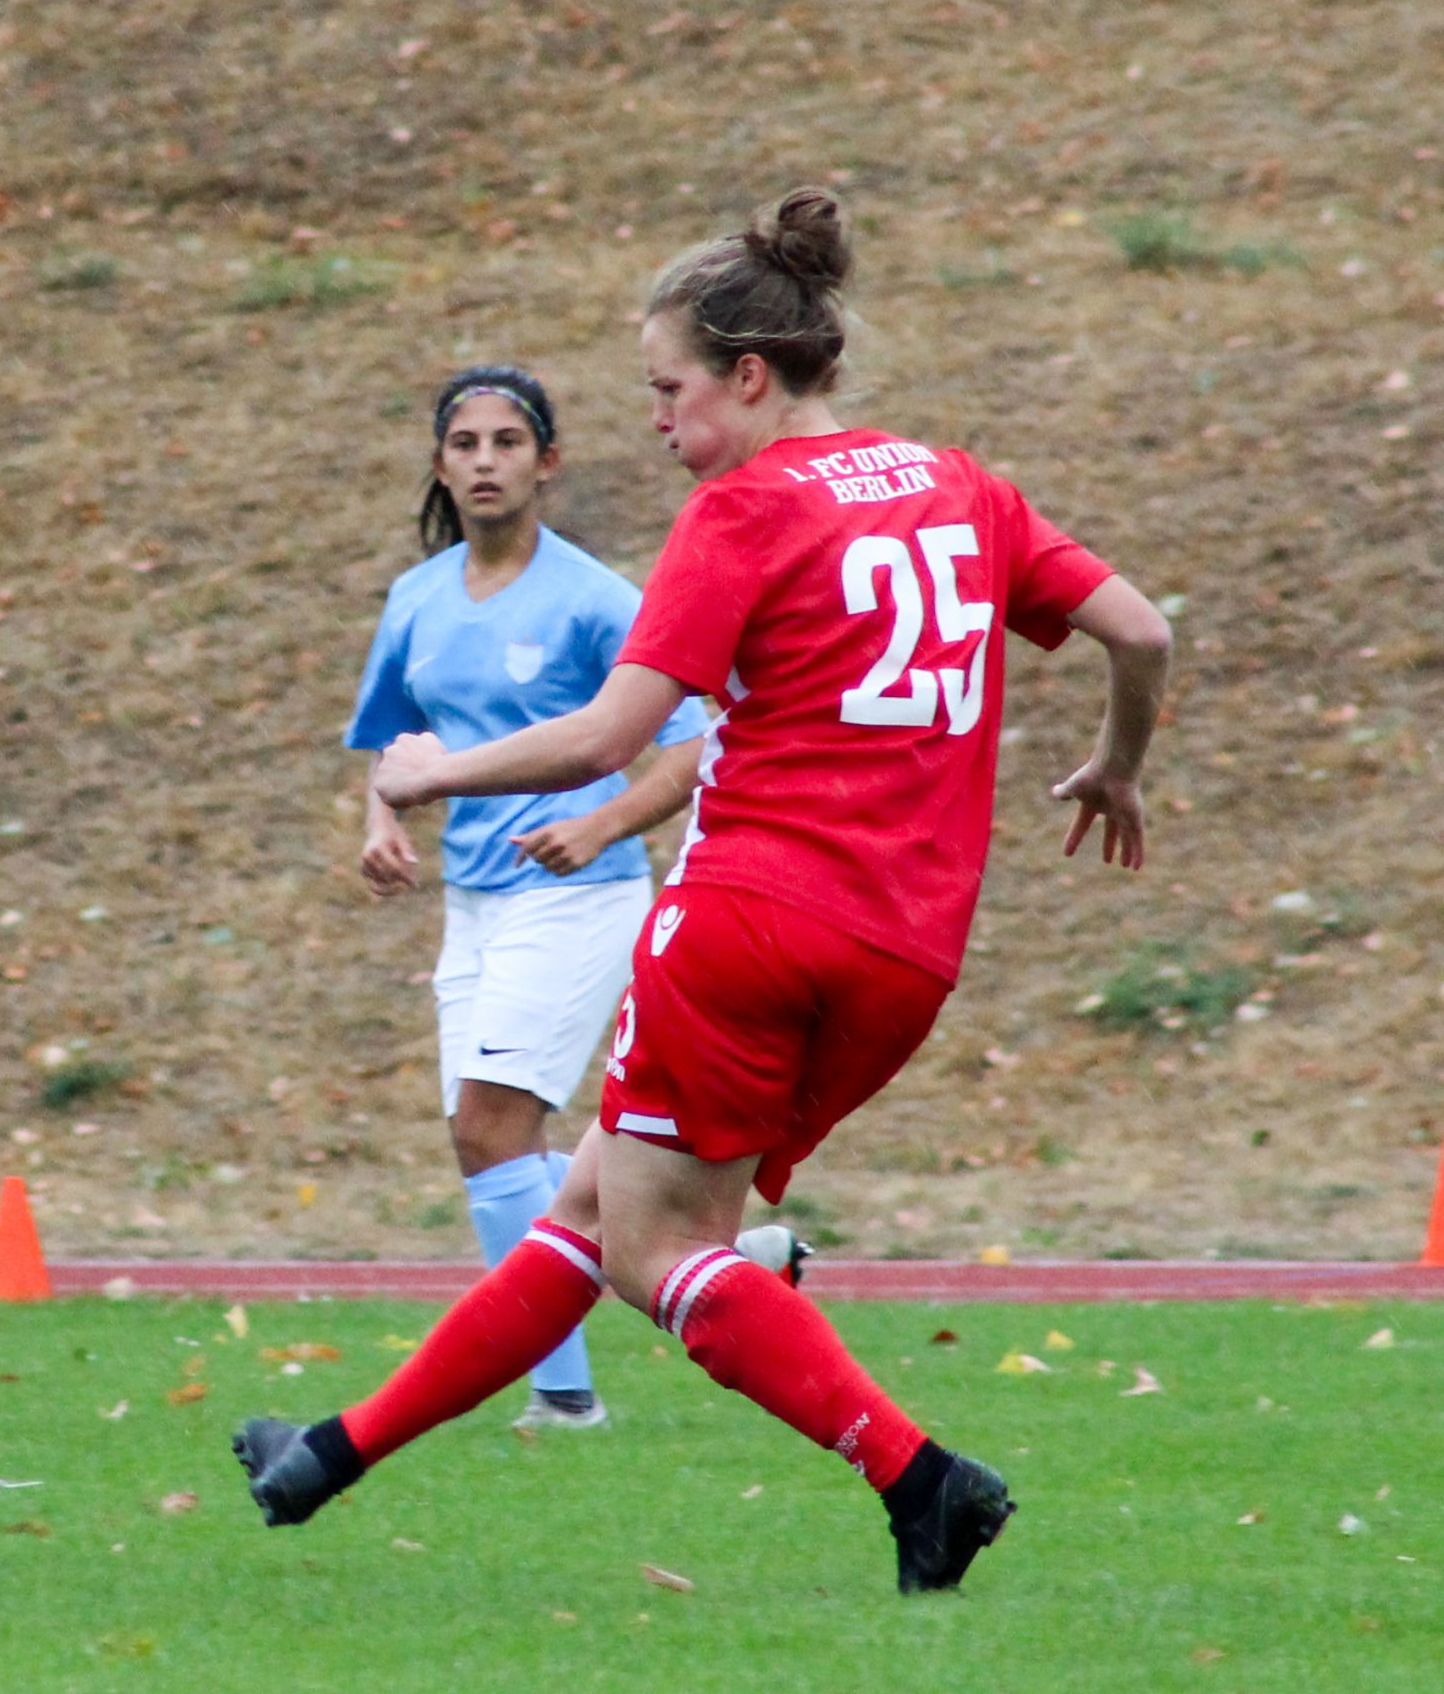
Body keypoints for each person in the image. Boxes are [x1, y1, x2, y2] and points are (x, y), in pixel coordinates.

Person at [237, 189, 1172, 1595]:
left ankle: (921, 1480)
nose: (661, 428)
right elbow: (1140, 628)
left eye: (667, 394)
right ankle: (326, 1458)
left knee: (657, 1253)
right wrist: (1114, 762)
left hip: (744, 924)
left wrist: (433, 776)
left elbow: (614, 736)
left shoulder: (743, 512)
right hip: (906, 957)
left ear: (749, 375)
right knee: (593, 1207)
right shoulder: (959, 486)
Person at [349, 364, 709, 1430]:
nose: (485, 462)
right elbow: (393, 741)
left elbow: (692, 750)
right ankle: (705, 1247)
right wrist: (381, 821)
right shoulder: (418, 598)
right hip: (477, 902)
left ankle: (564, 1396)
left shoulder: (597, 598)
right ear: (439, 463)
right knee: (485, 1144)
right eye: (465, 444)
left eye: (508, 442)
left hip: (583, 893)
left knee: (491, 1121)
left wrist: (598, 823)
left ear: (547, 461)